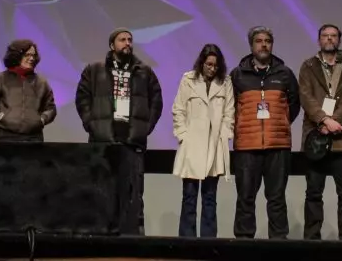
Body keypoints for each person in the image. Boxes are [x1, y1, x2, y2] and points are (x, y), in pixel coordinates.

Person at [75, 29, 163, 235]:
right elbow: (82, 99)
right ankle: (100, 232)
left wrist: (145, 128)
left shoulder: (144, 71)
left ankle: (134, 236)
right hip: (103, 140)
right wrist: (92, 125)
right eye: (122, 40)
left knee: (134, 192)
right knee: (101, 188)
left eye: (130, 40)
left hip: (133, 141)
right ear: (112, 45)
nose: (128, 43)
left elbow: (156, 101)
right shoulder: (94, 70)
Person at [230, 26, 300, 239]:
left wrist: (280, 124)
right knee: (245, 197)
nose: (263, 44)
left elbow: (295, 104)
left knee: (277, 197)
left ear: (272, 45)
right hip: (246, 146)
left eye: (267, 41)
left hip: (277, 145)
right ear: (251, 45)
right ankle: (243, 241)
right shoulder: (237, 74)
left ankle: (279, 243)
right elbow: (229, 107)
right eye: (258, 41)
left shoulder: (285, 73)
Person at [297, 24, 342, 240]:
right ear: (318, 40)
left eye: (333, 36)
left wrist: (335, 121)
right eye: (325, 36)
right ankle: (312, 240)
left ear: (339, 40)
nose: (329, 39)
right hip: (316, 138)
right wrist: (324, 120)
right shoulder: (308, 66)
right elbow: (306, 97)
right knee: (314, 193)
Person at [171, 44, 235, 237]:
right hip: (192, 147)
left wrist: (223, 137)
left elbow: (229, 114)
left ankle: (208, 242)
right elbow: (178, 109)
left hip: (214, 146)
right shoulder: (188, 80)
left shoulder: (225, 82)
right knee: (189, 197)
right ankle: (186, 240)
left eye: (215, 65)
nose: (212, 68)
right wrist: (183, 135)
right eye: (208, 64)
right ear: (201, 63)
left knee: (209, 198)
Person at [0, 39, 57, 142]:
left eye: (33, 55)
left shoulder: (41, 83)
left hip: (34, 138)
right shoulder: (0, 79)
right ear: (16, 55)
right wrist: (1, 116)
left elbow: (51, 108)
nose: (31, 58)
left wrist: (42, 120)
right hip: (7, 136)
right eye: (27, 55)